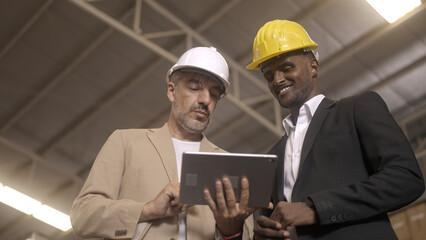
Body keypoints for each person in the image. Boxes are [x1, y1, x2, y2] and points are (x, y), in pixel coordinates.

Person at [245, 20, 425, 240]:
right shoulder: (273, 156)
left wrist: (314, 208)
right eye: (268, 75)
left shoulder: (357, 109)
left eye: (286, 67)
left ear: (313, 66)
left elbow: (406, 178)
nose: (277, 79)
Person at [70, 46, 253, 240]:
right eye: (194, 87)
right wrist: (147, 210)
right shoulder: (125, 142)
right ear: (172, 91)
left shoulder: (231, 165)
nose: (206, 99)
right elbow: (83, 215)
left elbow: (247, 236)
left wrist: (230, 231)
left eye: (214, 94)